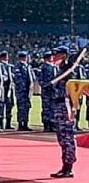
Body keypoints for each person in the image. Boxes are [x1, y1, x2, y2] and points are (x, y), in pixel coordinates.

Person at [49, 46, 77, 178]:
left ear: (65, 56)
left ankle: (68, 167)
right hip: (58, 106)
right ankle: (64, 166)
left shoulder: (72, 71)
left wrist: (73, 108)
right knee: (61, 138)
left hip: (67, 106)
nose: (55, 58)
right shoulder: (60, 71)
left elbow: (77, 90)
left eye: (58, 55)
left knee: (68, 138)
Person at [14, 51, 34, 131]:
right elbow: (18, 79)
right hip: (21, 91)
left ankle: (25, 123)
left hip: (28, 91)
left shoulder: (28, 67)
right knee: (21, 107)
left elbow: (32, 77)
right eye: (25, 57)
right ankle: (20, 124)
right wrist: (24, 87)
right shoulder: (18, 67)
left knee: (27, 107)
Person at [39, 51, 56, 132]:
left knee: (53, 108)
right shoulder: (43, 67)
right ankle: (46, 125)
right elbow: (40, 80)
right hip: (46, 91)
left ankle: (52, 125)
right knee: (46, 108)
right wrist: (46, 86)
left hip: (54, 91)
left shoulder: (54, 67)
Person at [0, 51, 15, 130]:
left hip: (10, 89)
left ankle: (8, 124)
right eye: (5, 57)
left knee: (9, 106)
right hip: (2, 89)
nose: (6, 59)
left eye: (7, 57)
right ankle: (0, 124)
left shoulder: (10, 67)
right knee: (1, 107)